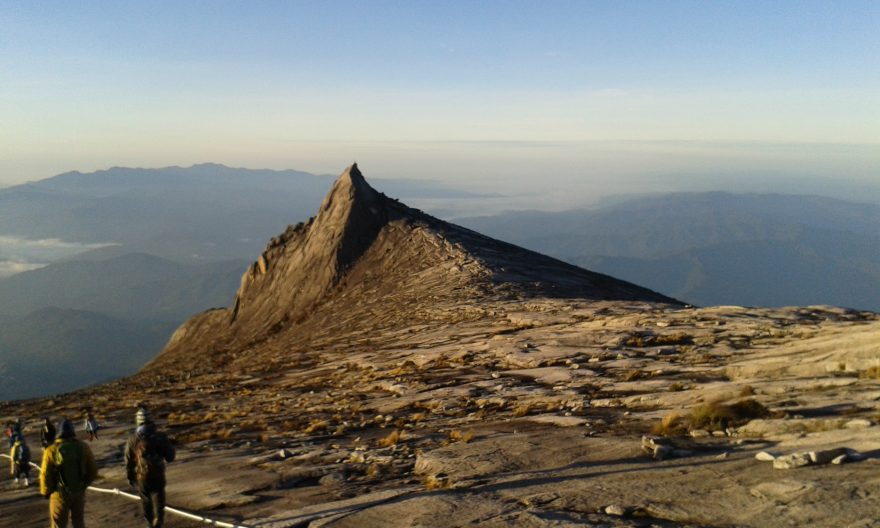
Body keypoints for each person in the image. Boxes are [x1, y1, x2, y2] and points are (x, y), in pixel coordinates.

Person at [40, 419, 98, 528]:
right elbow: (93, 470)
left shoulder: (51, 451)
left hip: (59, 494)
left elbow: (45, 474)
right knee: (78, 522)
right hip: (78, 491)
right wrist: (85, 483)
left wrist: (45, 491)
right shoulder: (83, 447)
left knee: (58, 524)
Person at [125, 408, 175, 528]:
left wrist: (130, 477)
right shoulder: (160, 436)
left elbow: (128, 461)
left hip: (142, 476)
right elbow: (170, 457)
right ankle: (159, 521)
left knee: (145, 499)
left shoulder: (133, 440)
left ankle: (149, 523)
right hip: (158, 473)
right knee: (159, 497)